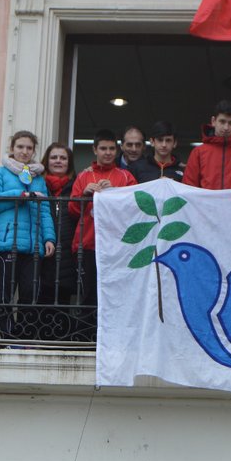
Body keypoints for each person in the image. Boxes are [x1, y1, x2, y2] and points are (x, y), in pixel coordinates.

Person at [0, 130, 57, 341]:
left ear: (34, 151)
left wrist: (49, 238)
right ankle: (8, 338)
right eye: (20, 147)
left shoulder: (38, 179)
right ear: (12, 149)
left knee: (29, 294)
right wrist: (22, 195)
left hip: (33, 245)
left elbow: (45, 210)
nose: (24, 151)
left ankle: (22, 337)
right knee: (5, 294)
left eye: (29, 148)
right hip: (7, 242)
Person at [69, 129, 137, 339]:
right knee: (88, 294)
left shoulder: (125, 176)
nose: (107, 153)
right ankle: (85, 339)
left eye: (111, 149)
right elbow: (71, 210)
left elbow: (135, 208)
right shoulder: (83, 176)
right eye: (103, 148)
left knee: (115, 294)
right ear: (95, 150)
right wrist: (83, 195)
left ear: (116, 151)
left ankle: (112, 339)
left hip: (118, 247)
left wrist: (116, 192)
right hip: (88, 244)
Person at [37, 141, 79, 339]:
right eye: (54, 157)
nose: (58, 161)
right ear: (47, 161)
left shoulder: (76, 186)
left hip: (68, 251)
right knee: (38, 294)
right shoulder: (38, 184)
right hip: (41, 250)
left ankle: (59, 340)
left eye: (63, 158)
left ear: (69, 163)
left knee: (63, 297)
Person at [181, 100, 231, 190]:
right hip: (205, 204)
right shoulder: (198, 153)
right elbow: (188, 187)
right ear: (213, 121)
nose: (226, 127)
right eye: (222, 122)